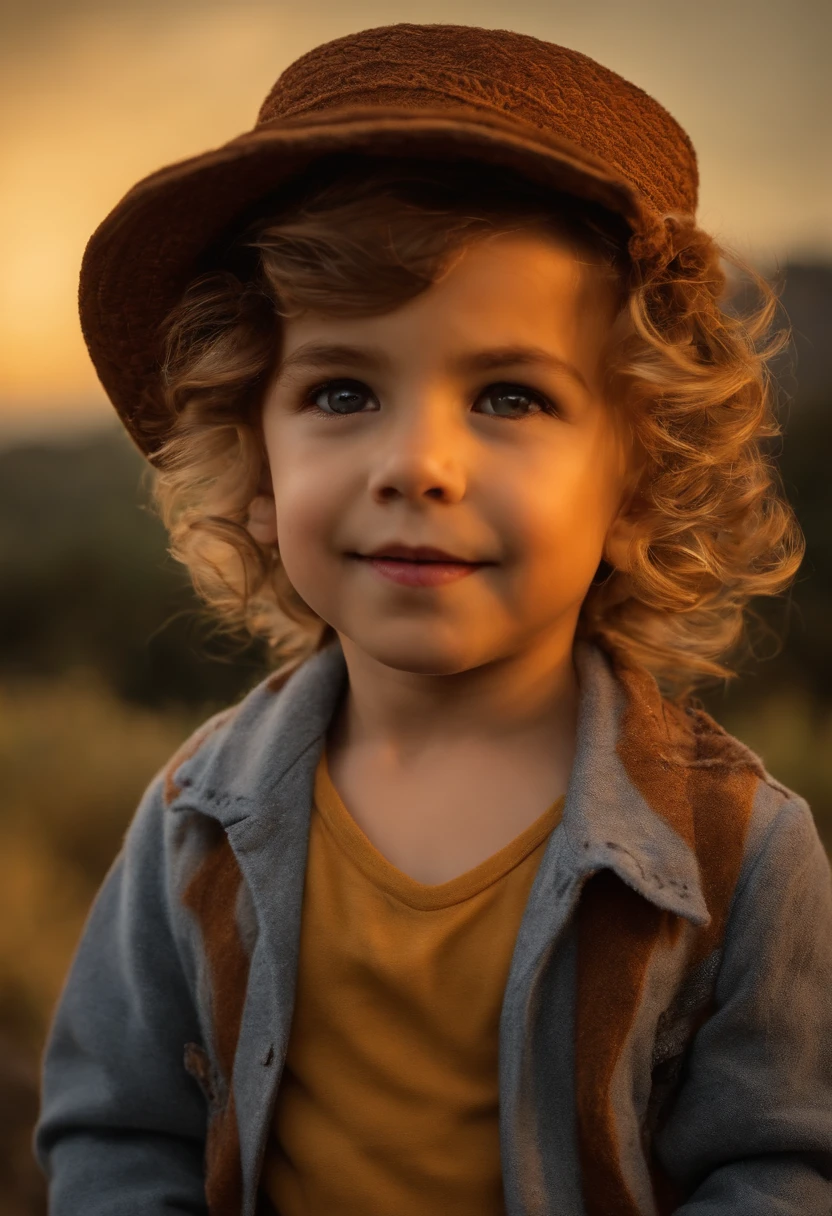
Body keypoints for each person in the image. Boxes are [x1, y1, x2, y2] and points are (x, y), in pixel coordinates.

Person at [33, 22, 832, 1216]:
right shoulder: (193, 815)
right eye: (341, 391)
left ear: (637, 476)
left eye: (510, 394)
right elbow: (118, 1126)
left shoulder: (742, 854)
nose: (416, 463)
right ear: (256, 469)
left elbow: (779, 1164)